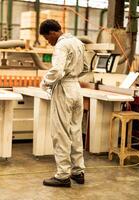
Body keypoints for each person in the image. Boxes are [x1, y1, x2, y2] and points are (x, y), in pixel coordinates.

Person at [39, 19, 85, 187]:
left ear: (52, 33)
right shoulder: (78, 43)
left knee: (61, 133)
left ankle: (63, 175)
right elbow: (86, 67)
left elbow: (57, 71)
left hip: (64, 89)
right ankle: (78, 171)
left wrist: (45, 81)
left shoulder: (61, 45)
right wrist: (72, 75)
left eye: (46, 38)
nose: (48, 42)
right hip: (77, 89)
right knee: (75, 130)